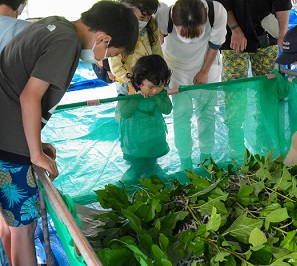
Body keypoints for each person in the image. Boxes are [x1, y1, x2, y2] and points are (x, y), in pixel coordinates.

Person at [0, 1, 138, 265]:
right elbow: (30, 97)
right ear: (103, 39)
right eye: (108, 52)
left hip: (7, 133)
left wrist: (36, 144)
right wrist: (34, 154)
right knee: (23, 230)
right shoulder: (67, 43)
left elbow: (15, 84)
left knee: (10, 223)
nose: (100, 59)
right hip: (7, 142)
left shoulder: (56, 25)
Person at [215, 0, 292, 158]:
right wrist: (235, 29)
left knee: (267, 89)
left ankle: (265, 138)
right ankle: (235, 143)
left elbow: (283, 4)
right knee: (234, 89)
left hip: (266, 35)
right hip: (233, 39)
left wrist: (283, 33)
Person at [155, 0, 227, 169]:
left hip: (206, 65)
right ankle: (185, 159)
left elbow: (215, 44)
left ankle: (206, 157)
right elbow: (156, 40)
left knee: (207, 113)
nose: (190, 38)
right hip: (177, 68)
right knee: (181, 114)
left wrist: (204, 71)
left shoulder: (217, 12)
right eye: (184, 33)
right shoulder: (164, 15)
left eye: (196, 32)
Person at [117, 54, 172, 183]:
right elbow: (124, 113)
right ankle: (123, 188)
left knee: (151, 165)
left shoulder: (160, 92)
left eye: (159, 86)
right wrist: (136, 98)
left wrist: (158, 97)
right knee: (137, 168)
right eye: (151, 87)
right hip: (134, 141)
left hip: (154, 138)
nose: (155, 90)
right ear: (138, 82)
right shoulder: (127, 90)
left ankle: (148, 185)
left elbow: (167, 109)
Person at [109, 0, 163, 97]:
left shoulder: (151, 25)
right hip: (126, 83)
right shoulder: (118, 31)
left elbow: (158, 54)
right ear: (127, 10)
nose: (145, 21)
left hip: (150, 83)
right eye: (142, 17)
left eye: (149, 17)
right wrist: (135, 84)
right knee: (127, 110)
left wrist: (158, 77)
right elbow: (116, 68)